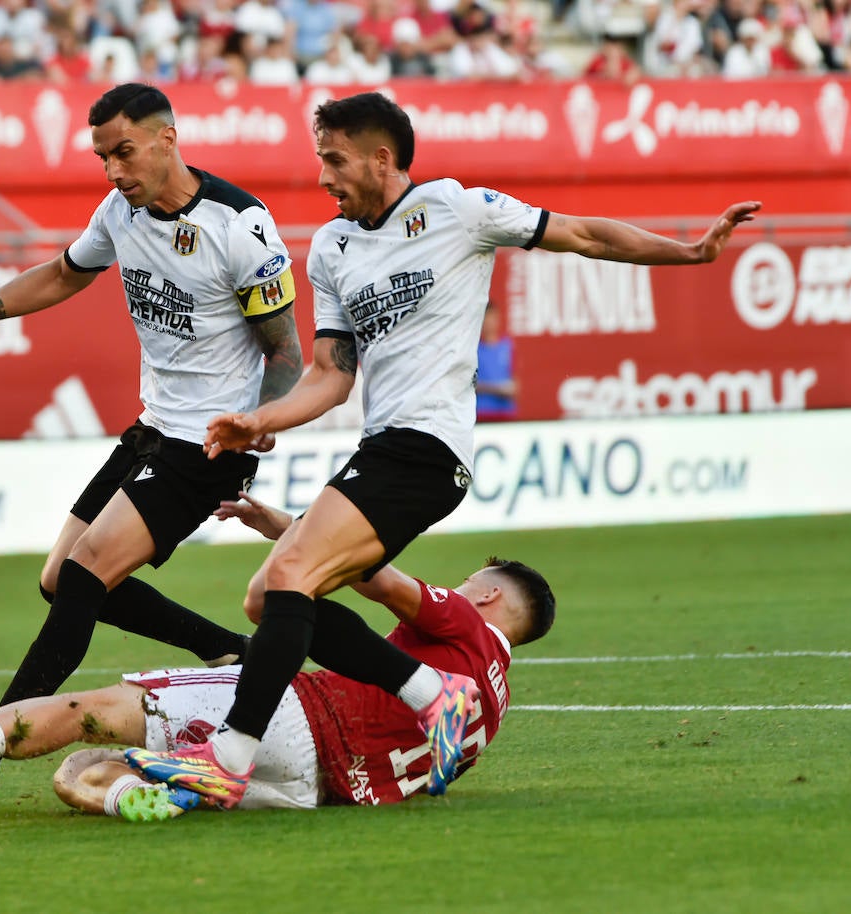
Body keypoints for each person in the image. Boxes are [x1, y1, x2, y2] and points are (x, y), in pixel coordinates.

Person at [128, 90, 760, 807]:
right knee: (266, 597)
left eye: (333, 161)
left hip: (428, 447)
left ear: (381, 158)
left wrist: (691, 252)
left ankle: (231, 757)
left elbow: (584, 235)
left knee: (291, 578)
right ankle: (434, 692)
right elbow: (332, 376)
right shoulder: (332, 249)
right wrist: (263, 418)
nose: (323, 177)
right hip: (383, 446)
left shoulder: (461, 210)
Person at [0, 83, 303, 799]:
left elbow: (286, 354)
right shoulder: (121, 212)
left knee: (84, 577)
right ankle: (231, 653)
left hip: (205, 447)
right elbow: (61, 274)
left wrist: (257, 422)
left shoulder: (241, 227)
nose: (113, 170)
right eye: (103, 156)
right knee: (59, 580)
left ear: (168, 139)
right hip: (150, 434)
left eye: (125, 152)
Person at [0, 491, 555, 821]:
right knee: (79, 773)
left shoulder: (461, 621)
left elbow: (371, 573)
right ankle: (127, 795)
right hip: (319, 792)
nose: (458, 588)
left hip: (292, 715)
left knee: (91, 712)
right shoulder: (493, 705)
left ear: (488, 599)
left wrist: (300, 535)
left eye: (468, 583)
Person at [475, 302, 516, 421]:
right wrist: (496, 389)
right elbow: (468, 383)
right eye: (486, 319)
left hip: (506, 412)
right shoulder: (474, 348)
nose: (489, 323)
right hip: (481, 412)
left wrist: (509, 390)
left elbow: (516, 384)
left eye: (492, 318)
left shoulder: (508, 346)